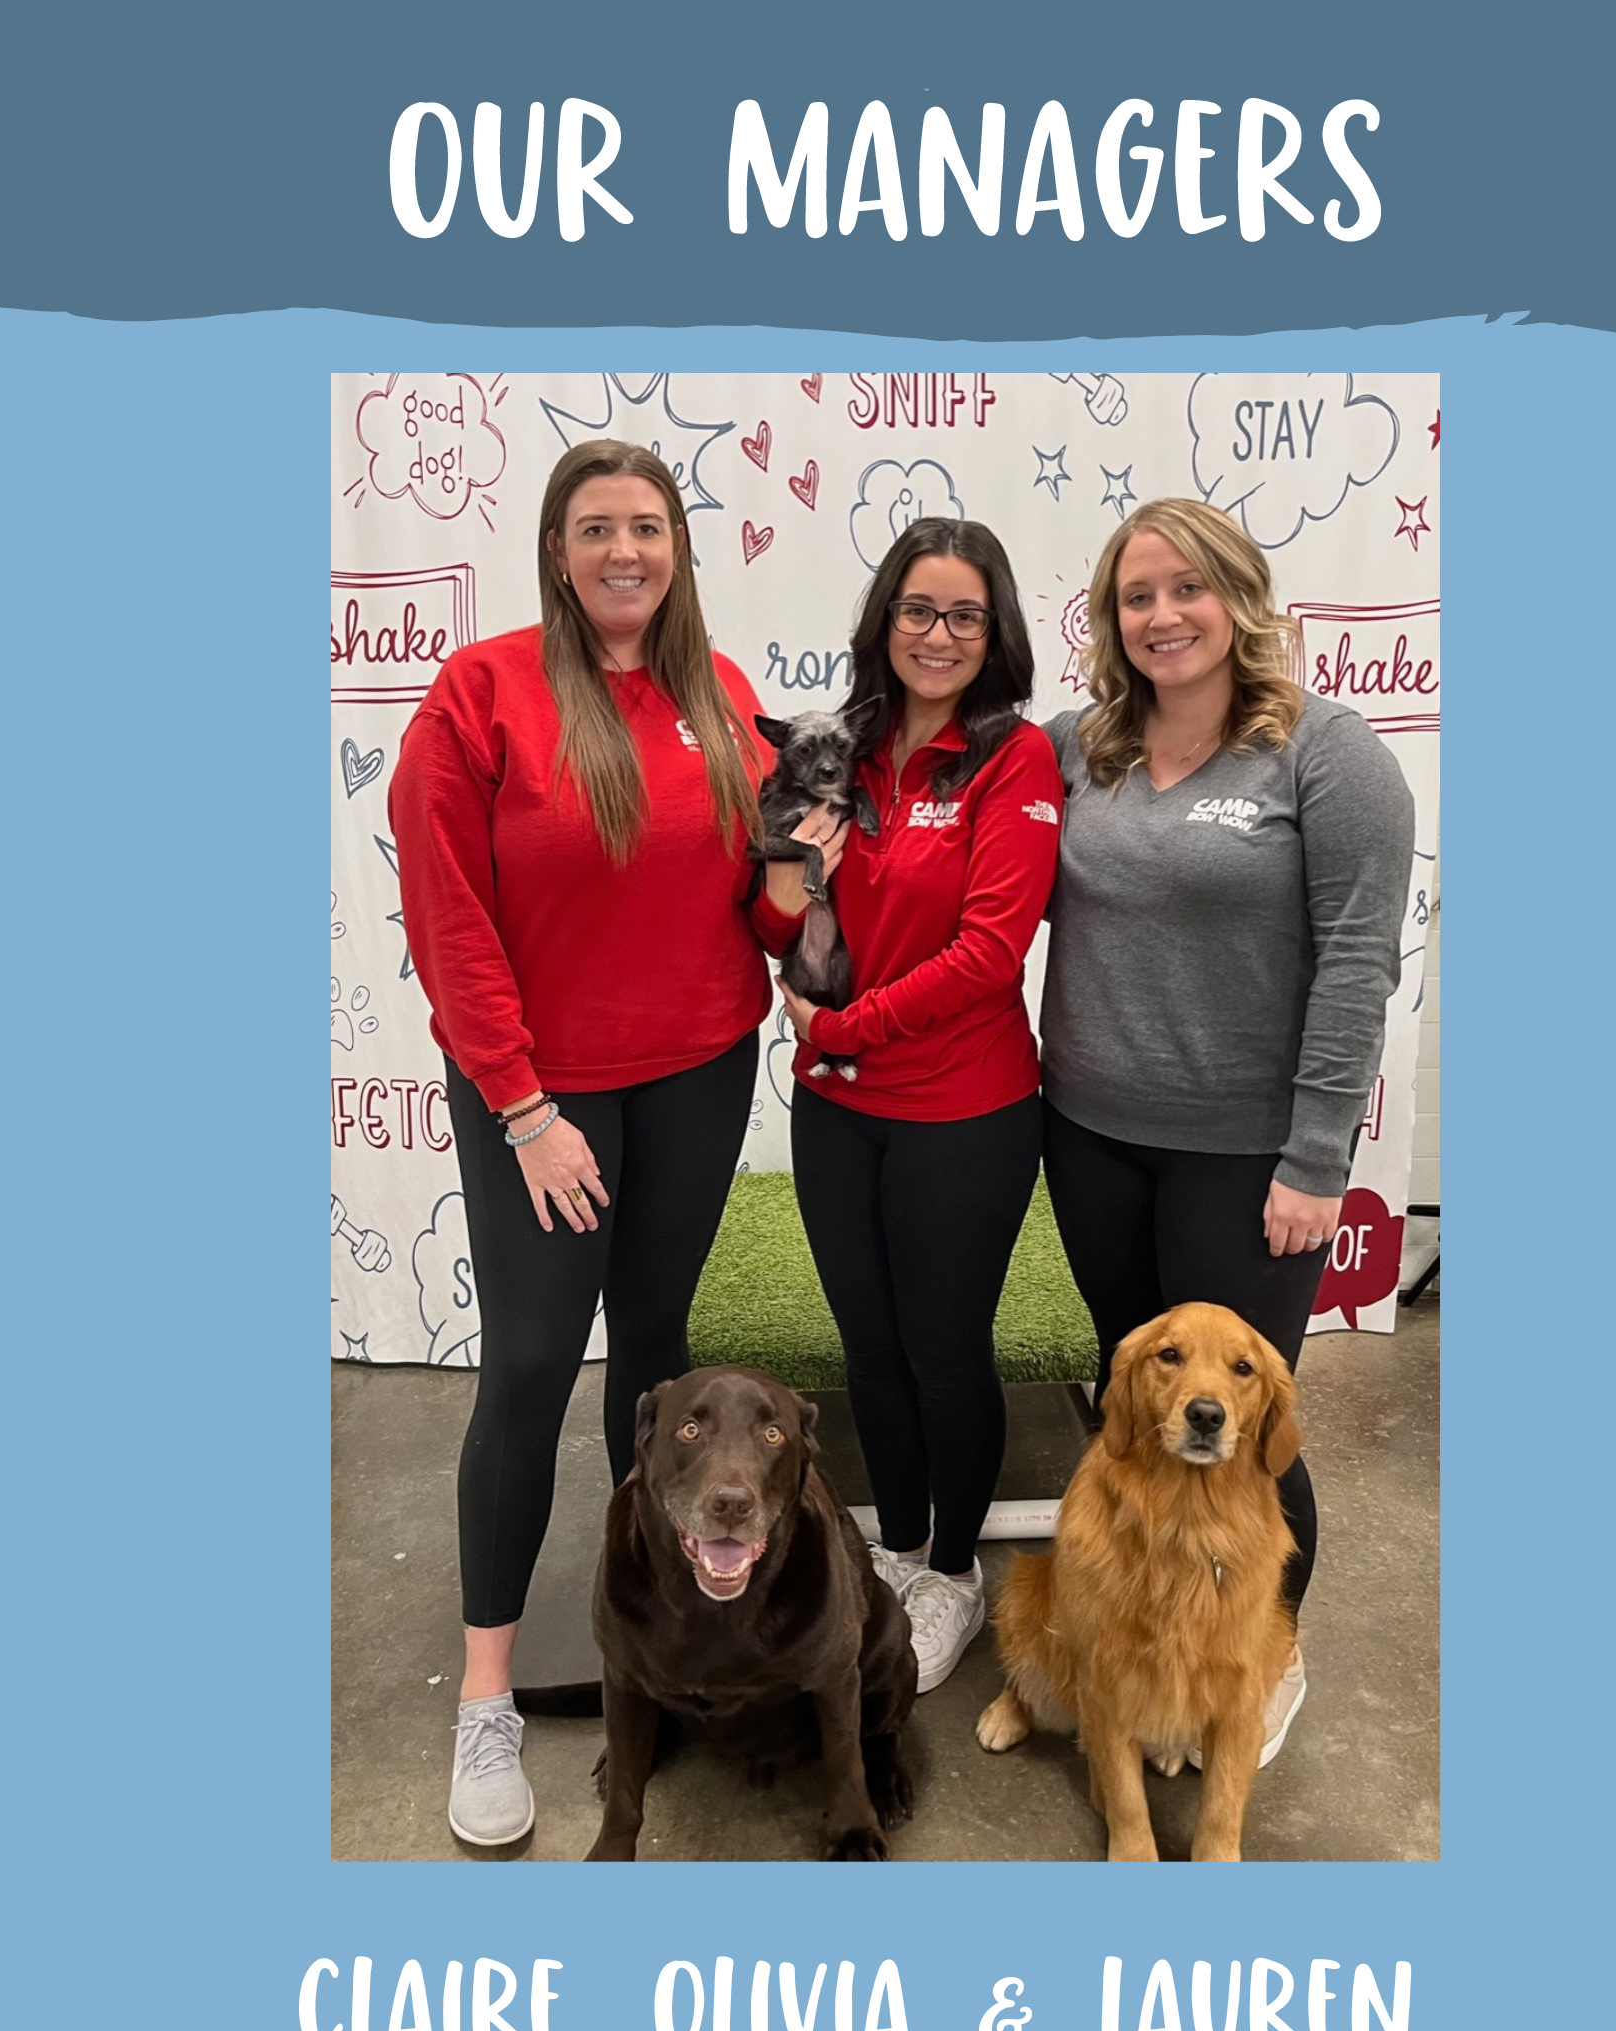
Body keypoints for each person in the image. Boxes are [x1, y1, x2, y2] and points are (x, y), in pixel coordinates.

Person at [388, 440, 771, 1846]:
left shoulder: (717, 696)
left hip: (700, 1070)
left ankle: (655, 1644)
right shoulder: (478, 694)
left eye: (649, 527)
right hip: (541, 1099)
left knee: (657, 1358)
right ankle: (485, 1695)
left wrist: (814, 871)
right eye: (596, 526)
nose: (625, 550)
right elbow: (449, 919)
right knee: (537, 1365)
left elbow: (760, 901)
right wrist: (526, 1109)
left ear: (678, 548)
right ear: (558, 549)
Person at [1039, 498, 1414, 1765]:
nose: (1162, 616)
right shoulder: (1079, 749)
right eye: (1136, 596)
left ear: (1239, 599)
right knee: (1144, 1409)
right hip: (1088, 1133)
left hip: (1247, 1162)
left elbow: (1360, 964)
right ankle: (1155, 1638)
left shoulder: (1325, 753)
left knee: (1246, 1431)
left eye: (1186, 589)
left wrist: (1317, 1162)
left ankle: (1268, 1651)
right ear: (1111, 619)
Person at [756, 519, 1064, 1693]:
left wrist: (841, 1032)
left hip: (963, 1111)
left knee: (943, 1350)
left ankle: (954, 1569)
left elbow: (991, 953)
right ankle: (891, 1554)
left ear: (997, 636)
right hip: (838, 1109)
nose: (938, 635)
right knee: (869, 1347)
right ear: (883, 622)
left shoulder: (1014, 762)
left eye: (964, 615)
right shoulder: (838, 750)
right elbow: (773, 926)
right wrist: (790, 886)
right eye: (917, 611)